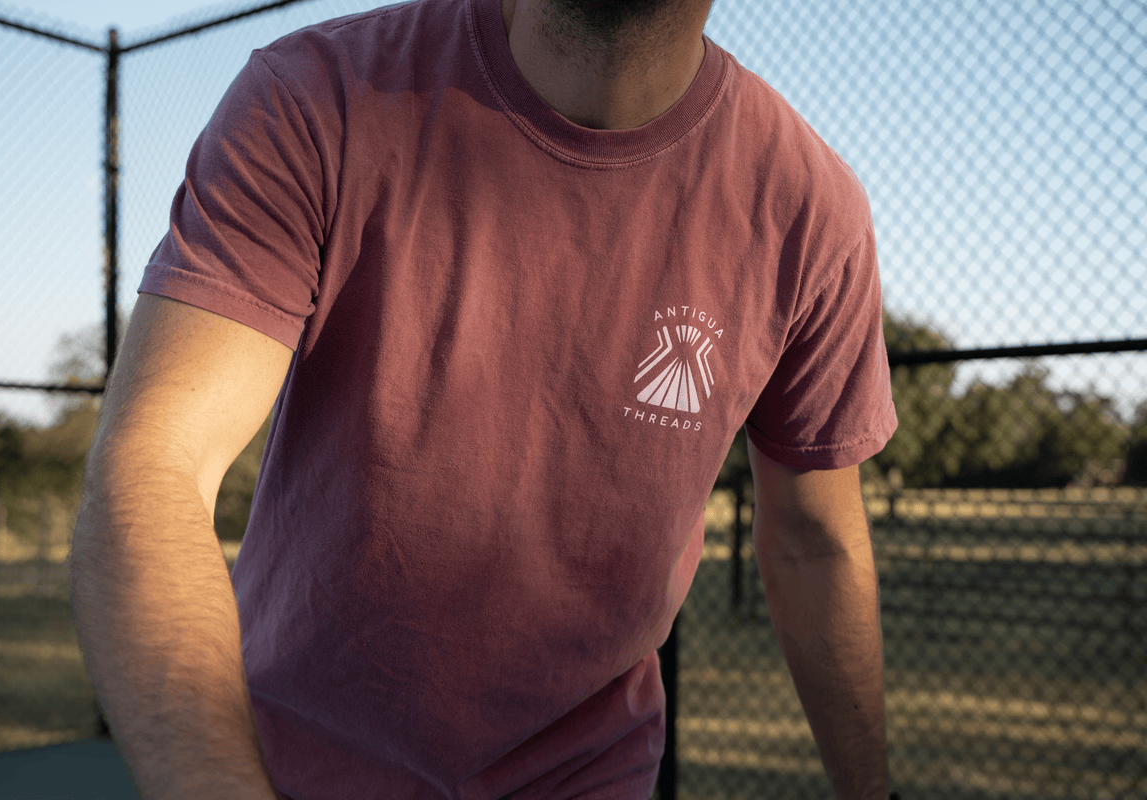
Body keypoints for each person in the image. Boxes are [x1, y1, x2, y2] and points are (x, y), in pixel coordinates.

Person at [68, 0, 898, 797]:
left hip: (588, 778)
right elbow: (154, 462)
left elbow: (815, 544)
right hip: (283, 767)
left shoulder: (809, 211)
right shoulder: (321, 95)